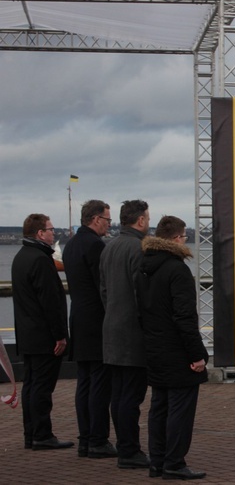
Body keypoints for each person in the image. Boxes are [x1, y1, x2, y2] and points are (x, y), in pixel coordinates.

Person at [137, 216, 208, 480]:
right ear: (177, 238)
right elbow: (184, 316)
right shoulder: (177, 270)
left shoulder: (144, 267)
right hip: (177, 350)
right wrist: (197, 354)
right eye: (184, 236)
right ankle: (174, 462)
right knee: (180, 407)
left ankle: (157, 461)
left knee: (159, 406)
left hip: (154, 346)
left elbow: (141, 311)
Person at [11, 214, 73, 450]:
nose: (53, 233)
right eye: (50, 229)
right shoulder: (40, 260)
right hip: (43, 336)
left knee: (31, 385)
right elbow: (51, 302)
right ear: (39, 233)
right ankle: (42, 434)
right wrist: (60, 334)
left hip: (27, 334)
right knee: (42, 388)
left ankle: (32, 433)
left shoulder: (21, 257)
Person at [62, 200, 117, 459]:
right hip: (96, 320)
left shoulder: (71, 244)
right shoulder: (95, 245)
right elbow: (102, 285)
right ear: (96, 219)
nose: (109, 224)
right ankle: (97, 439)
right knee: (99, 383)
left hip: (79, 318)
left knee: (84, 382)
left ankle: (85, 438)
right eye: (107, 219)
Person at [99, 199, 151, 469]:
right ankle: (130, 451)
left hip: (112, 331)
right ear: (140, 220)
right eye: (148, 218)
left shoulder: (109, 248)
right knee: (131, 396)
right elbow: (141, 294)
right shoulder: (139, 247)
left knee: (118, 394)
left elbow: (104, 291)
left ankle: (124, 447)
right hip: (133, 335)